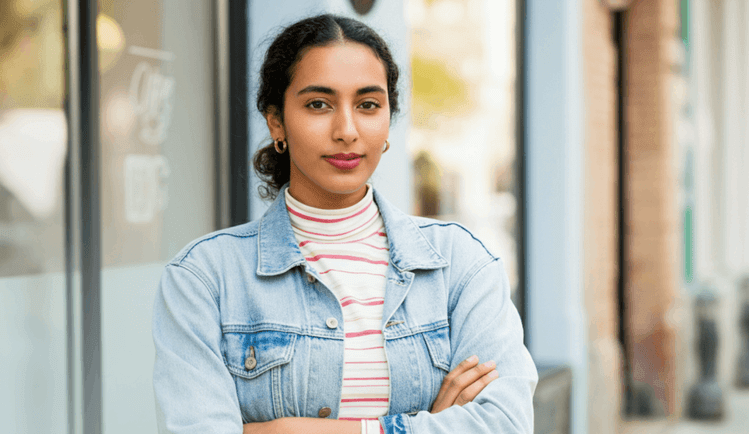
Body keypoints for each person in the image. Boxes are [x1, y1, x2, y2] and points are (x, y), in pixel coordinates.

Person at [152, 14, 537, 434]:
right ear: (276, 121)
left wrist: (284, 431)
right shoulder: (205, 278)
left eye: (368, 105)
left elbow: (504, 423)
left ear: (388, 120)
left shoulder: (459, 265)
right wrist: (430, 425)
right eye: (319, 104)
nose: (347, 130)